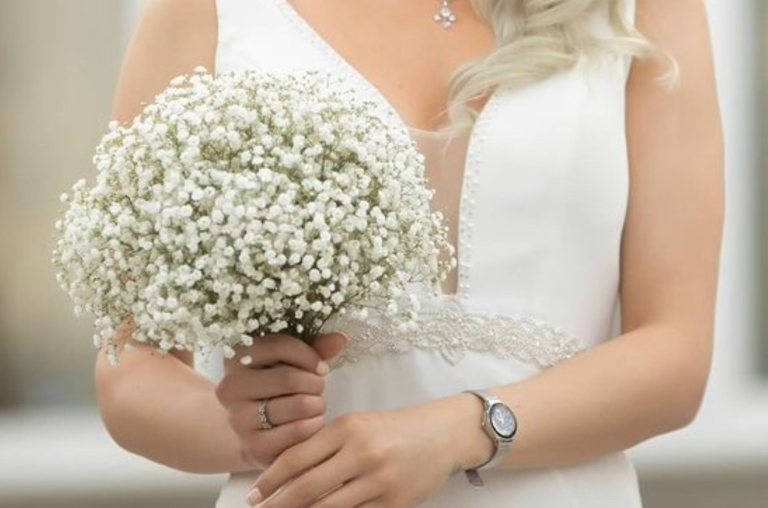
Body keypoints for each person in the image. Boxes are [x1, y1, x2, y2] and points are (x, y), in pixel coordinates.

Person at [95, 0, 723, 507]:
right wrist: (248, 427)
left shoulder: (639, 11)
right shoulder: (206, 13)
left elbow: (674, 351)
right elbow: (132, 372)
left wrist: (462, 430)